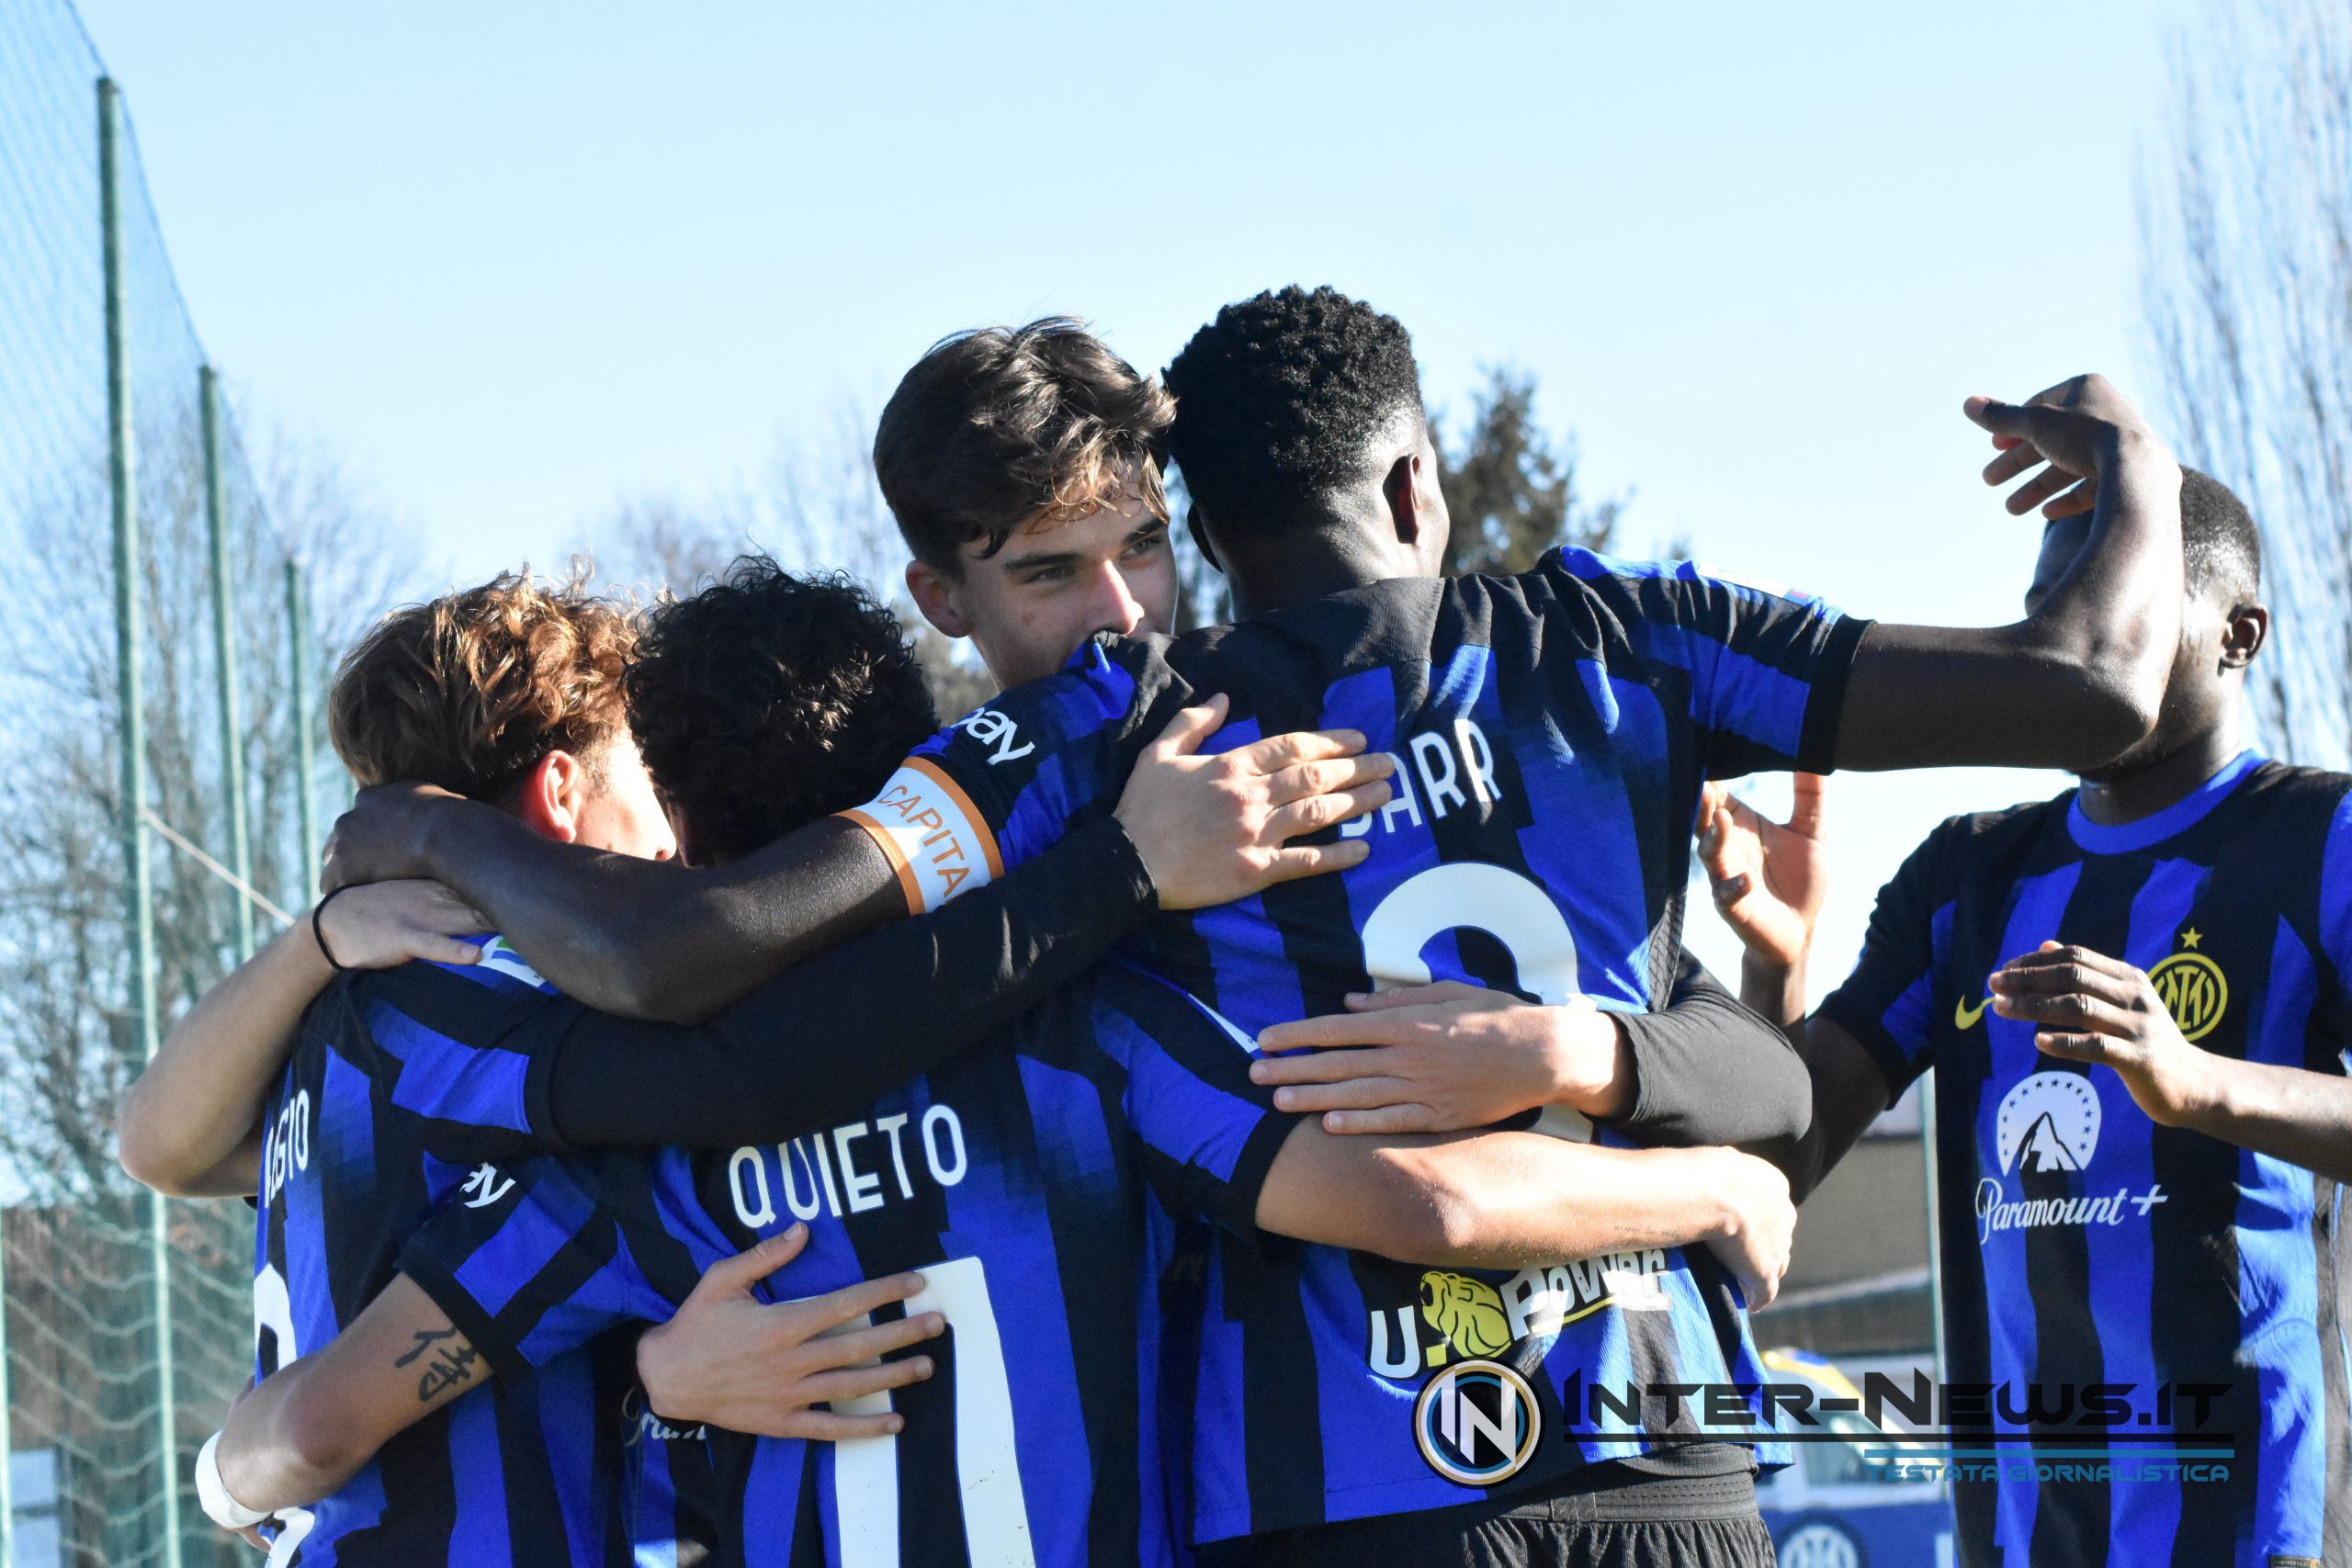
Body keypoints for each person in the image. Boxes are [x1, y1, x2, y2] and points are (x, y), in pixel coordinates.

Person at [320, 287, 2184, 1564]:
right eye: (1058, 568)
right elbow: (2087, 691)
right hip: (1659, 1456)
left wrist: (398, 839)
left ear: (1194, 521)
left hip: (1317, 1496)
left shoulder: (1087, 749)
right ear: (1412, 484)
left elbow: (691, 973)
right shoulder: (1617, 643)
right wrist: (2130, 455)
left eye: (1134, 552)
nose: (1121, 609)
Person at [199, 558, 1799, 1565]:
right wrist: (1707, 1171)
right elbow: (1413, 1201)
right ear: (915, 789)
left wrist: (649, 1381)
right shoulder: (1089, 1036)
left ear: (689, 827)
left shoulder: (606, 1143)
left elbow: (318, 1358)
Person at [1704, 468, 2352, 1568]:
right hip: (2016, 1539)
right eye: (2054, 617)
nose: (2076, 647)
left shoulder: (2323, 838)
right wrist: (1777, 967)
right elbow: (1774, 1162)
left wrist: (2194, 1080)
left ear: (2237, 634)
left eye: (2120, 610)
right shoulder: (1970, 874)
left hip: (2258, 1530)